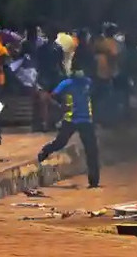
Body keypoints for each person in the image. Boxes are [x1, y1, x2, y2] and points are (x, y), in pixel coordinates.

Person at [37, 58, 100, 189]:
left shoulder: (88, 82)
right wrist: (60, 106)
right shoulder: (66, 84)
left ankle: (94, 181)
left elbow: (94, 96)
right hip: (71, 119)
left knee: (92, 150)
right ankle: (45, 151)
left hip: (86, 120)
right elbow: (51, 96)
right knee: (61, 142)